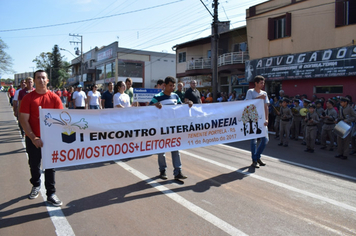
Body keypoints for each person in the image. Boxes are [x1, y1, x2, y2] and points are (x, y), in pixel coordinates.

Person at [19, 70, 63, 206]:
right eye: (38, 78)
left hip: (50, 140)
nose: (41, 80)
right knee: (34, 164)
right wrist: (33, 137)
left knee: (50, 166)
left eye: (43, 78)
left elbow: (61, 118)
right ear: (34, 80)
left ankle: (51, 193)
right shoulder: (28, 98)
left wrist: (54, 137)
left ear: (47, 81)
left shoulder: (55, 98)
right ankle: (36, 185)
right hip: (33, 139)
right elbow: (24, 120)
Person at [149, 76, 193, 179]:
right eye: (170, 85)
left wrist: (187, 104)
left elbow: (180, 107)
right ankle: (162, 170)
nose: (172, 87)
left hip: (173, 128)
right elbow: (148, 108)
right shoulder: (158, 96)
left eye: (173, 86)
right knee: (161, 150)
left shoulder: (175, 96)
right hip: (162, 128)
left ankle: (178, 171)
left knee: (176, 149)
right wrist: (155, 105)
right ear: (164, 85)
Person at [245, 75, 269, 168]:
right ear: (256, 83)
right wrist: (259, 97)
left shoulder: (264, 93)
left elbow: (266, 106)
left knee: (265, 140)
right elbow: (248, 103)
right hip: (253, 119)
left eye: (263, 83)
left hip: (262, 119)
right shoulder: (250, 92)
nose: (263, 84)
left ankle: (257, 156)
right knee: (254, 140)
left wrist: (267, 119)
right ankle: (254, 160)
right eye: (261, 82)